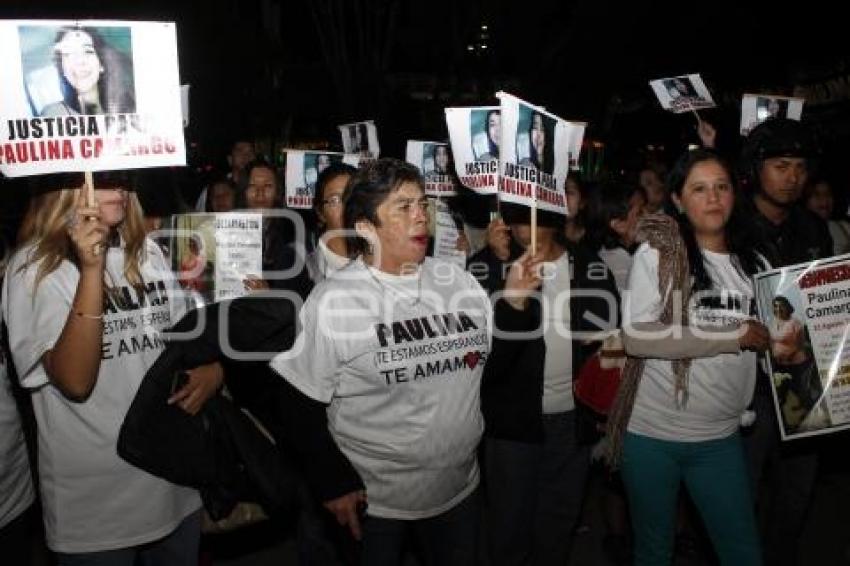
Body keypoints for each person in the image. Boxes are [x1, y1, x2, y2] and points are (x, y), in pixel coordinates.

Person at [269, 158, 542, 566]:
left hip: (459, 490)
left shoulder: (457, 281)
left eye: (423, 203)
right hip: (375, 504)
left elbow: (487, 369)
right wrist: (332, 482)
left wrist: (516, 301)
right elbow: (298, 402)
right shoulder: (335, 300)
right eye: (403, 207)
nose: (421, 217)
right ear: (365, 227)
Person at [2, 172, 222, 564]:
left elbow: (187, 341)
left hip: (174, 482)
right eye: (104, 178)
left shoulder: (150, 253)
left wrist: (215, 368)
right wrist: (92, 270)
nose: (119, 188)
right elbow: (74, 381)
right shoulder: (32, 268)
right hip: (96, 508)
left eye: (123, 178)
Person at [606, 149, 769, 565]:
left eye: (722, 187)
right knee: (654, 551)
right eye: (699, 189)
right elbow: (641, 337)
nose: (713, 198)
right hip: (651, 436)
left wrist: (784, 346)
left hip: (720, 438)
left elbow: (767, 342)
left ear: (735, 195)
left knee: (743, 552)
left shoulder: (756, 264)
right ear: (678, 200)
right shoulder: (657, 254)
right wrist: (734, 335)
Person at [471, 202, 620, 566]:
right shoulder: (493, 263)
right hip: (513, 424)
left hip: (573, 422)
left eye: (530, 217)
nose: (522, 228)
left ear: (555, 216)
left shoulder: (588, 265)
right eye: (515, 218)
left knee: (557, 523)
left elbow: (609, 331)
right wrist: (493, 263)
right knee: (509, 528)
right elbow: (475, 348)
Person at [739, 118, 831, 566]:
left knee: (796, 496)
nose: (792, 176)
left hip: (804, 382)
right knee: (741, 497)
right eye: (780, 165)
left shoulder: (814, 228)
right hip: (748, 389)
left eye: (799, 166)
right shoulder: (731, 226)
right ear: (757, 168)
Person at [41, 26, 135, 117]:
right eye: (68, 54)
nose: (80, 61)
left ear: (101, 64)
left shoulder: (127, 105)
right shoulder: (54, 113)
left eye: (87, 51)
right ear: (62, 69)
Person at [307, 162, 357, 283]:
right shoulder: (303, 265)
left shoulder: (380, 261)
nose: (346, 207)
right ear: (320, 213)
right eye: (335, 200)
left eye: (352, 197)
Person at [804, 179, 850, 255]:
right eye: (816, 194)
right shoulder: (798, 233)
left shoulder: (844, 226)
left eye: (828, 194)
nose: (824, 199)